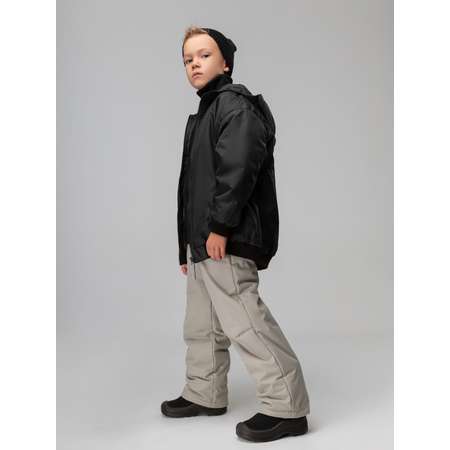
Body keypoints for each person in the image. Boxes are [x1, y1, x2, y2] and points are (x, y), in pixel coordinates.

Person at [161, 26, 311, 442]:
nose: (194, 63)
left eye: (204, 55)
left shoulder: (235, 106)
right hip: (203, 241)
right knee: (202, 323)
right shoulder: (206, 112)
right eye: (188, 59)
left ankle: (287, 407)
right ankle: (205, 392)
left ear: (225, 62)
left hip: (225, 236)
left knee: (245, 321)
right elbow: (194, 189)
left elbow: (238, 172)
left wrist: (220, 228)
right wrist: (186, 247)